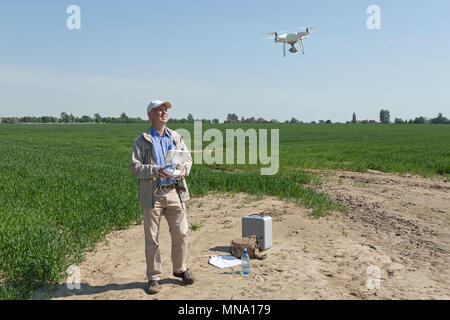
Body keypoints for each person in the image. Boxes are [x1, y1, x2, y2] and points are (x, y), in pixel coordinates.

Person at [129, 99, 194, 294]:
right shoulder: (141, 140)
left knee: (181, 233)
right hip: (153, 195)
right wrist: (157, 170)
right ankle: (154, 278)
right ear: (150, 115)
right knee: (152, 239)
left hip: (175, 192)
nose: (164, 112)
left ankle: (180, 269)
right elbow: (134, 167)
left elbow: (188, 159)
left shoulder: (175, 137)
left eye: (165, 110)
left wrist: (184, 170)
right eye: (159, 110)